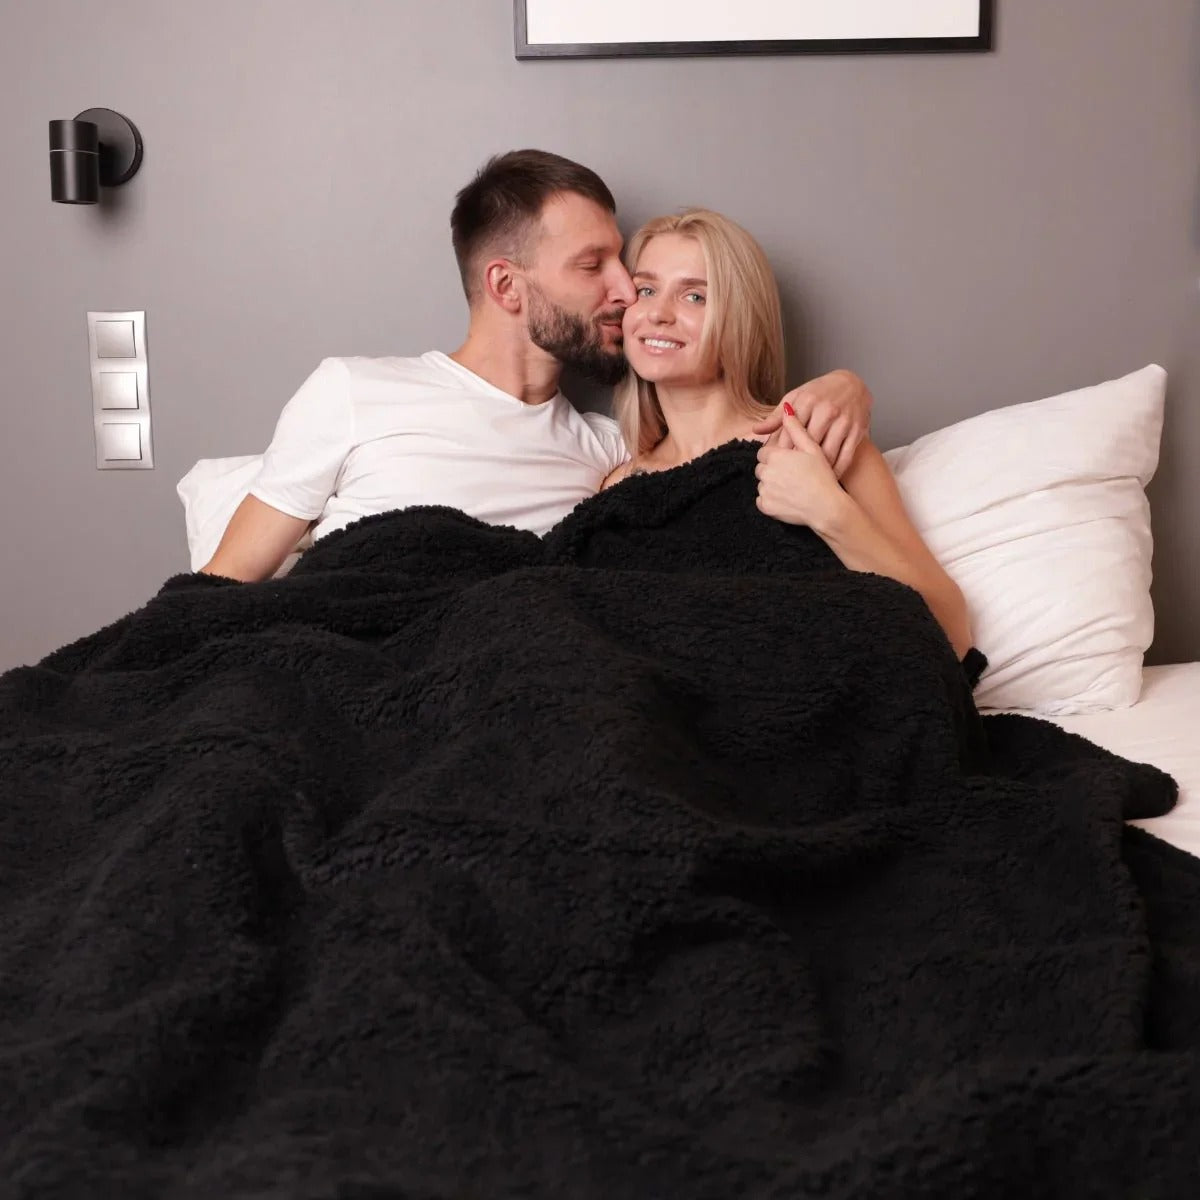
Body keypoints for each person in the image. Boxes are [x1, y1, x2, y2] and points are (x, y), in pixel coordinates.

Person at [200, 150, 873, 582]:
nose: (625, 292)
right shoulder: (353, 393)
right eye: (593, 266)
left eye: (623, 265)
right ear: (507, 286)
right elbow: (225, 584)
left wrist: (845, 389)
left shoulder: (611, 456)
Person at [603, 209, 972, 658]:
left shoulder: (817, 442)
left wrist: (829, 512)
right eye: (646, 290)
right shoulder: (618, 488)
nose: (658, 313)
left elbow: (952, 632)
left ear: (739, 318)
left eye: (695, 297)